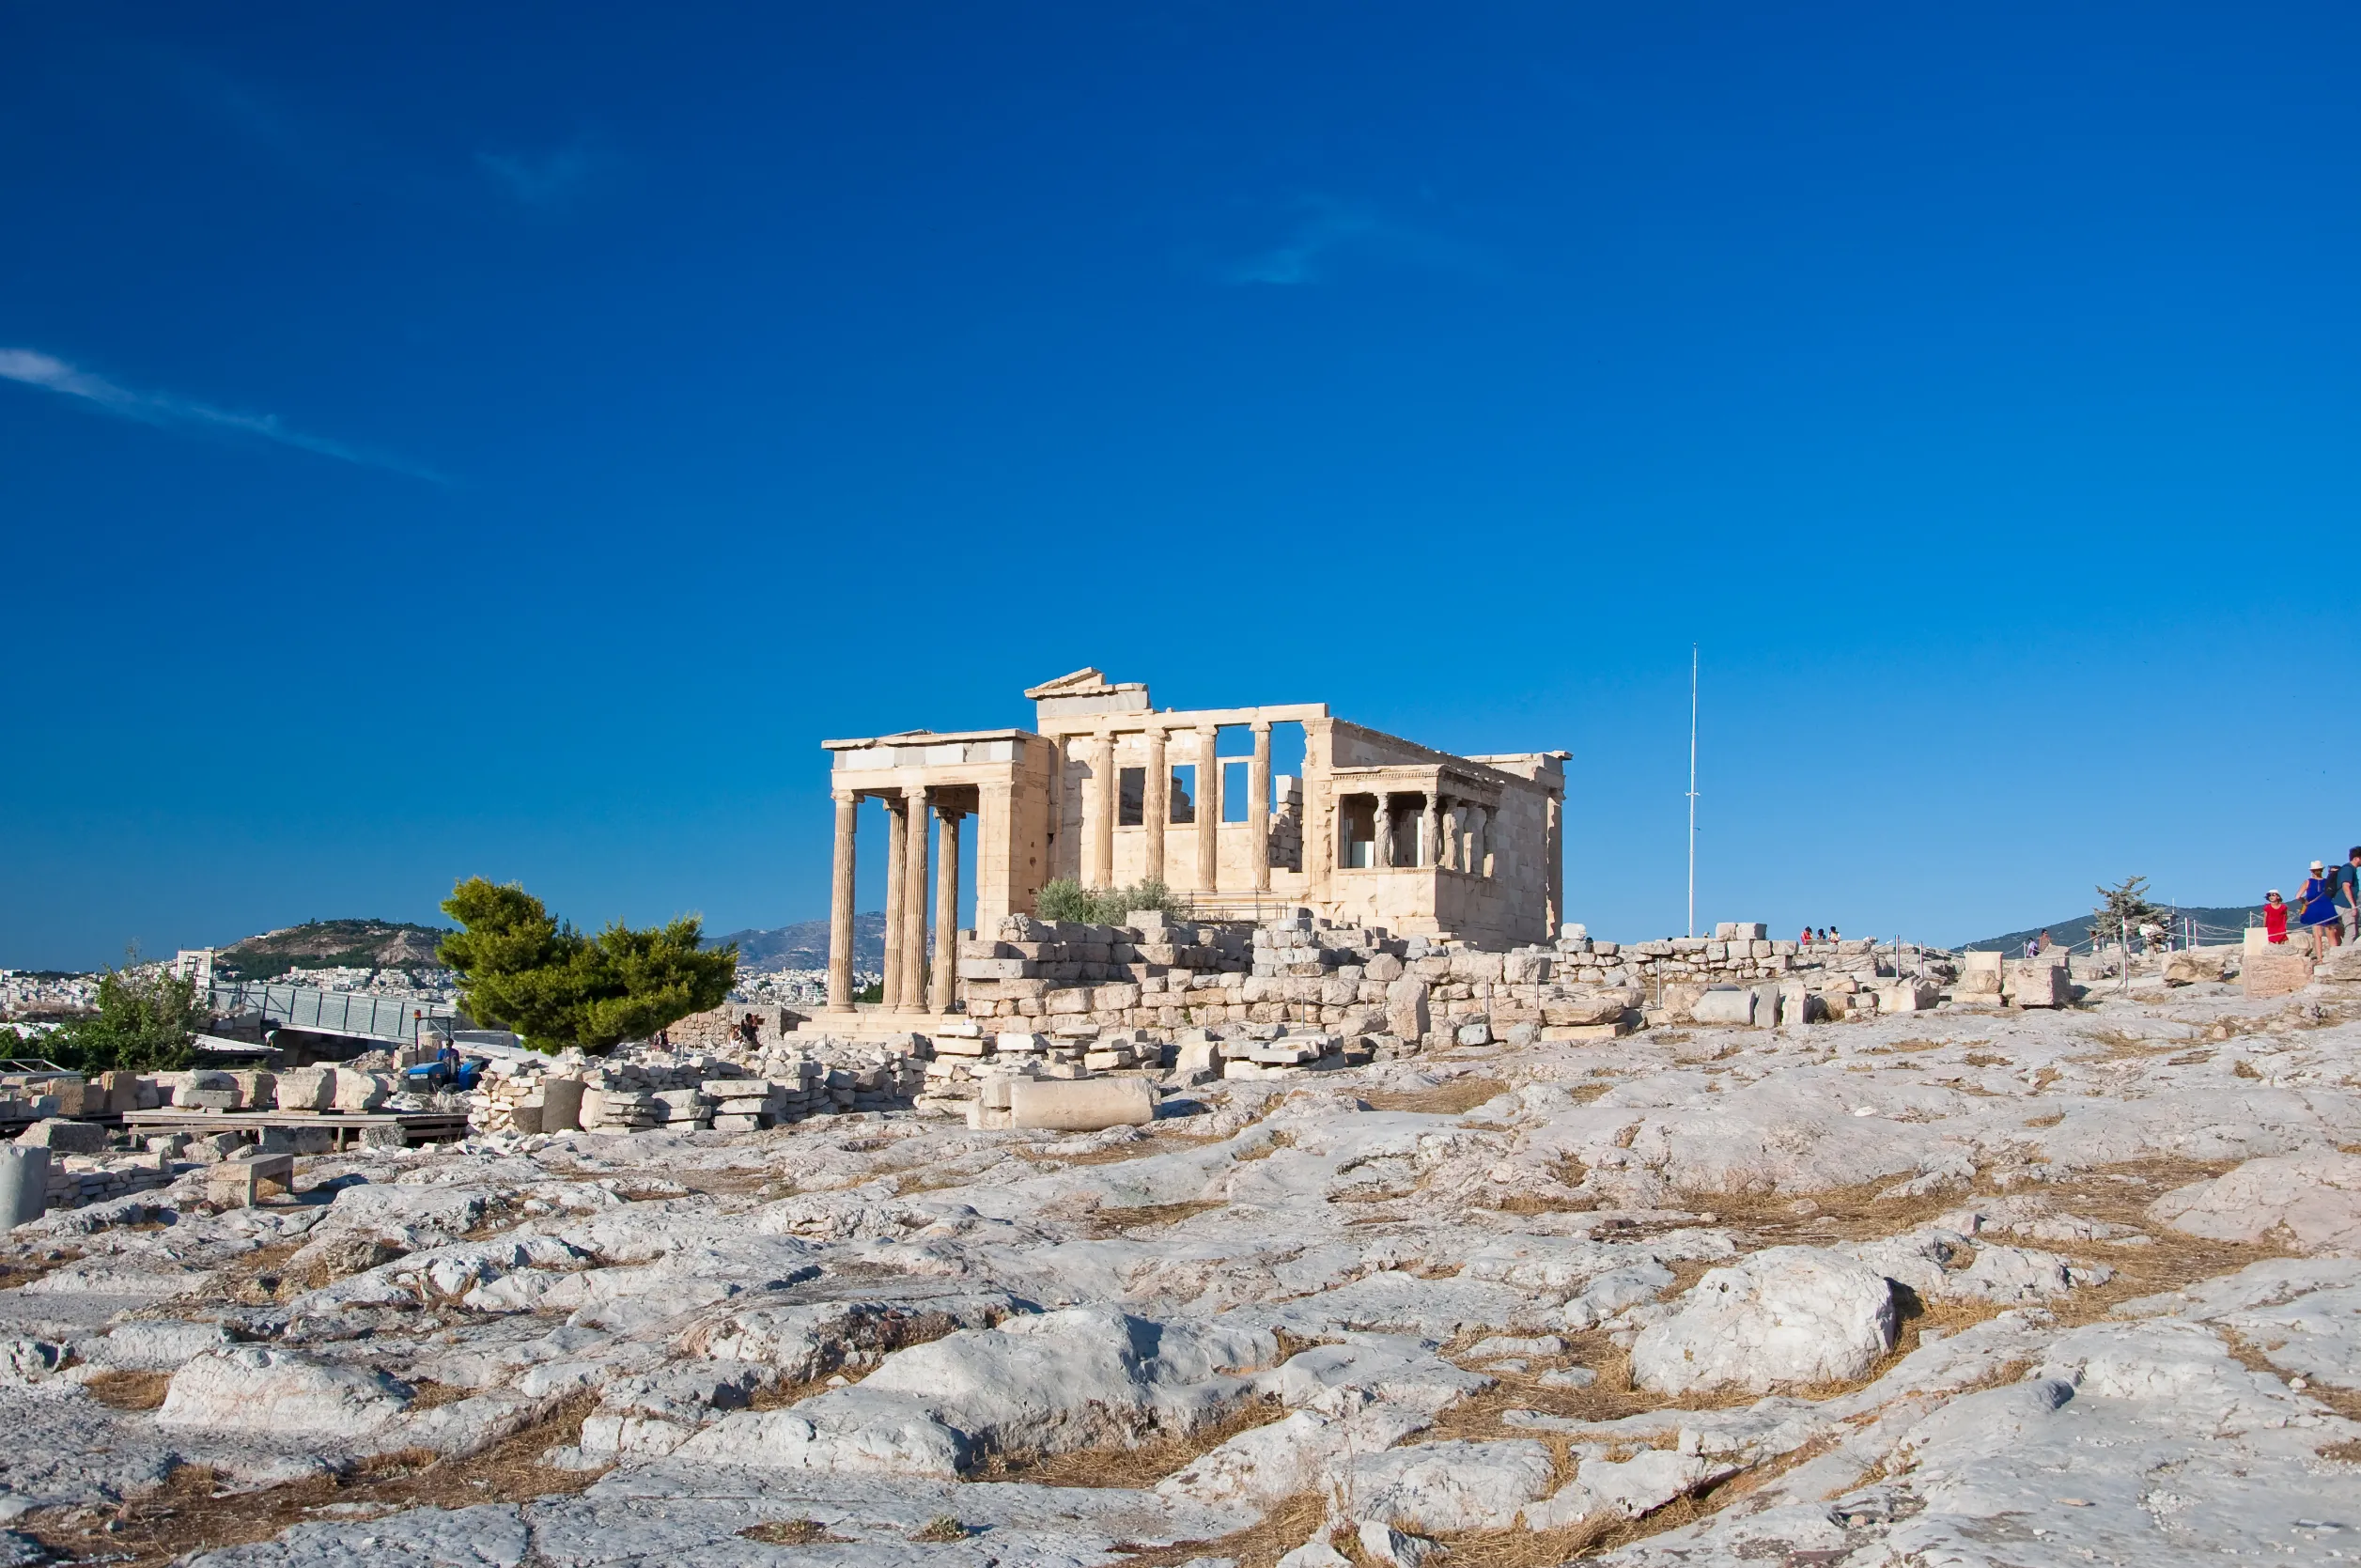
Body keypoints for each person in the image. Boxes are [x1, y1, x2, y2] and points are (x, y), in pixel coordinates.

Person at [2298, 862, 2341, 959]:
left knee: (2317, 935)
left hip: (2314, 908)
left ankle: (2320, 958)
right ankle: (2334, 958)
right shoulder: (2327, 882)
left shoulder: (2307, 882)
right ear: (2322, 870)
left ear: (2311, 871)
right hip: (2327, 907)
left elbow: (2297, 896)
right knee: (2331, 934)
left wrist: (2304, 902)